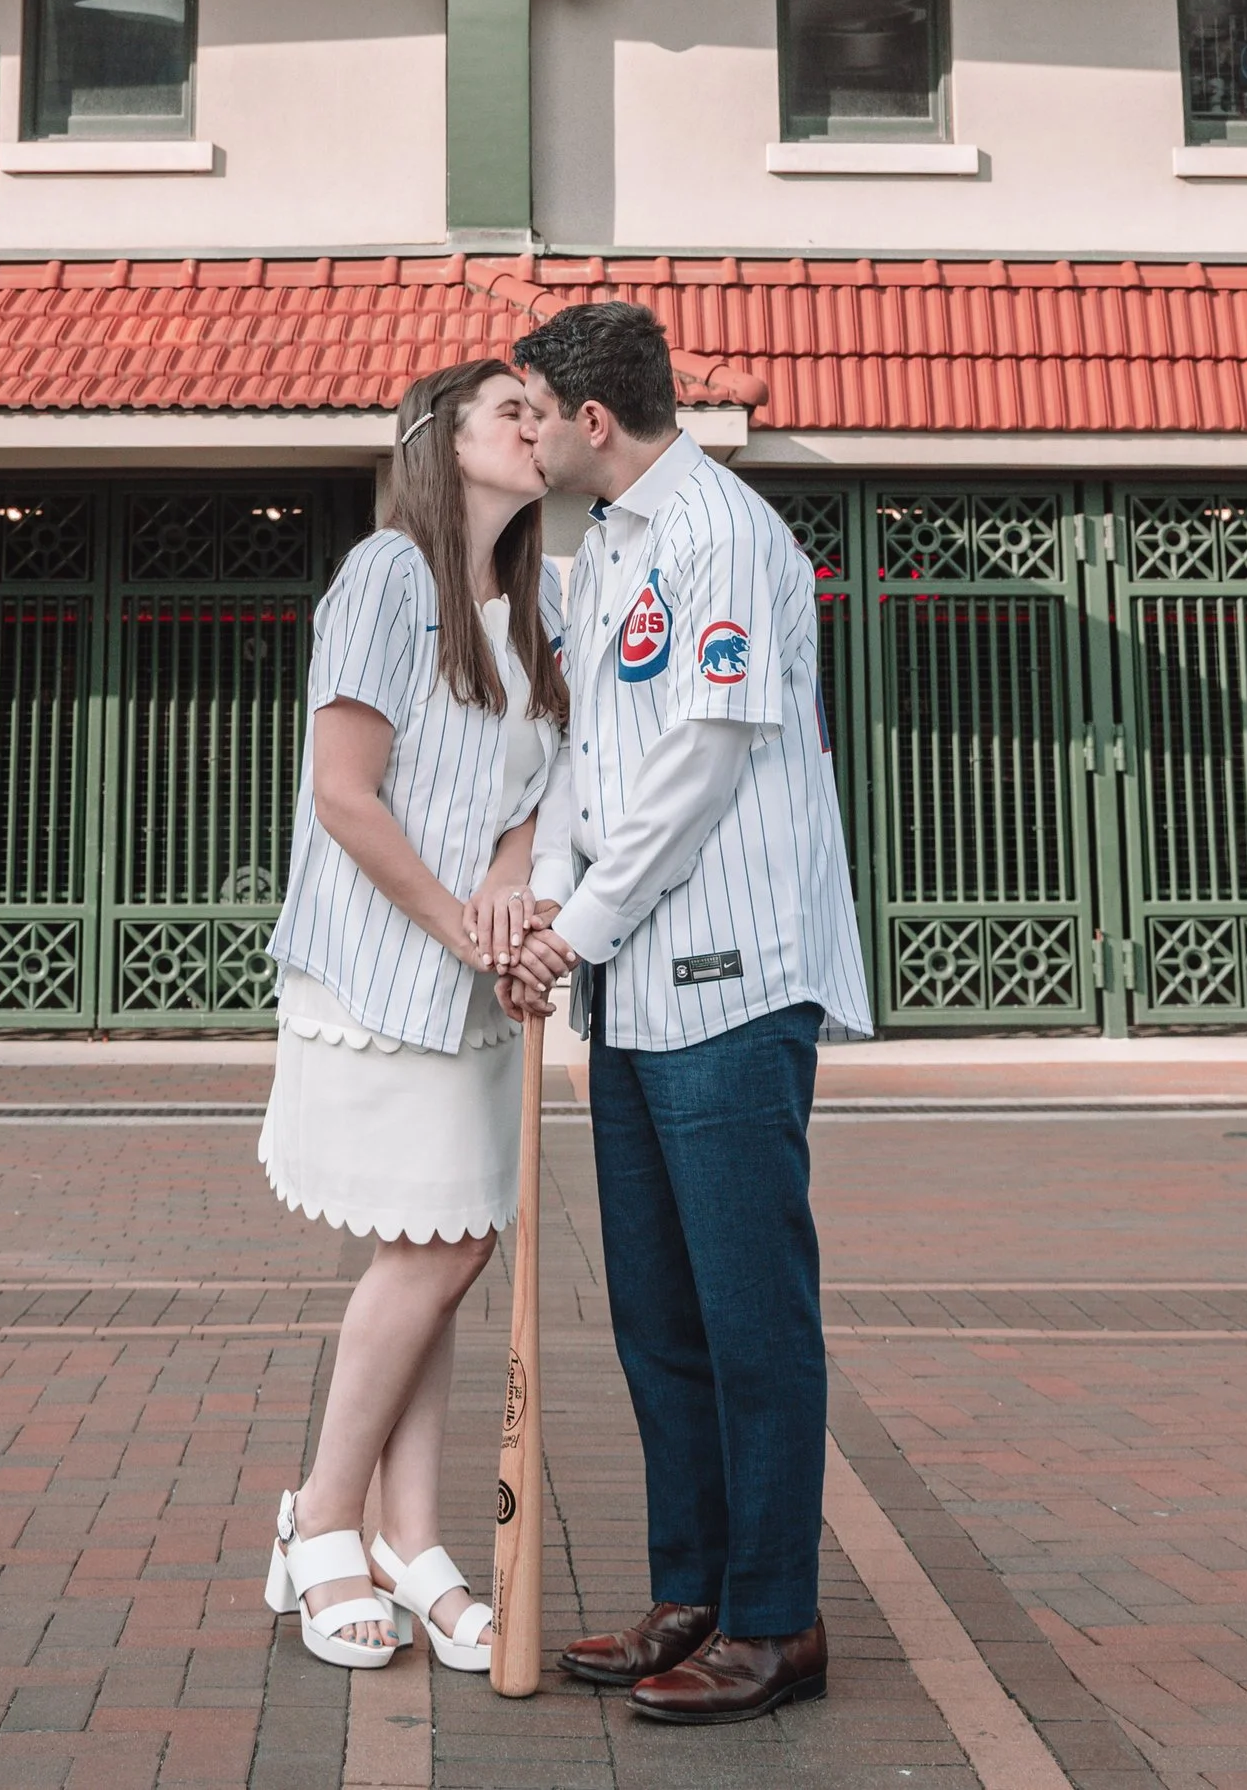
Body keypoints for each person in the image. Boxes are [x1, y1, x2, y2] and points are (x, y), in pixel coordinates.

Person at [502, 297, 870, 1727]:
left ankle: (776, 1620)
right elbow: (590, 763)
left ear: (596, 423)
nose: (526, 432)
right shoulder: (608, 553)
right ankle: (694, 1590)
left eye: (535, 411)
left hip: (731, 980)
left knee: (750, 1312)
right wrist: (544, 907)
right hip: (633, 995)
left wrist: (571, 927)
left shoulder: (721, 531)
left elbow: (696, 771)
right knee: (660, 1313)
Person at [257, 355, 567, 1676]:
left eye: (547, 415)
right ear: (442, 439)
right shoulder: (389, 573)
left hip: (469, 982)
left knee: (452, 1238)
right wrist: (458, 925)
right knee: (434, 1250)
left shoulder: (532, 609)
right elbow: (345, 791)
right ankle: (319, 1515)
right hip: (379, 974)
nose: (537, 427)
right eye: (514, 409)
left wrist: (508, 904)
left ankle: (411, 1536)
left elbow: (525, 801)